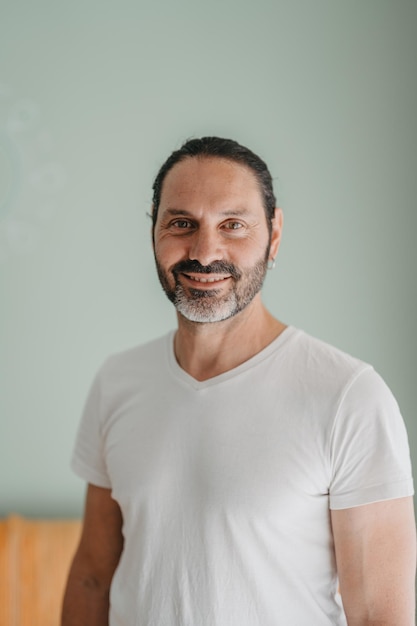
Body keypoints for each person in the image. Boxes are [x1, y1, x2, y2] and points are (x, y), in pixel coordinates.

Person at [61, 137, 416, 626]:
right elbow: (93, 576)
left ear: (274, 235)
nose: (205, 253)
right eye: (182, 223)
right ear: (154, 231)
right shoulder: (117, 381)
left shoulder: (349, 397)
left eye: (233, 225)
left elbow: (380, 615)